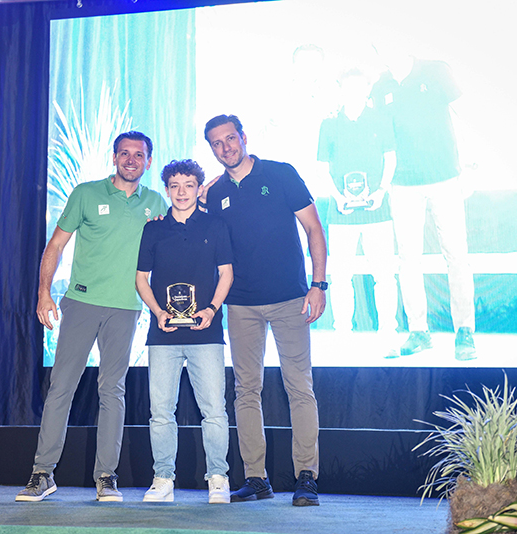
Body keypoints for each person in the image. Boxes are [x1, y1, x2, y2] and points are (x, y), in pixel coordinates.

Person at [16, 131, 168, 503]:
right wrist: (43, 293)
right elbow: (56, 244)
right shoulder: (86, 193)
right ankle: (42, 473)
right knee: (61, 388)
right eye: (124, 153)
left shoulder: (156, 202)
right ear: (114, 157)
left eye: (139, 155)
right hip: (81, 303)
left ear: (148, 161)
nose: (131, 160)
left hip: (126, 308)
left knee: (112, 391)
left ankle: (106, 477)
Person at [202, 114, 328, 507]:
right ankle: (256, 479)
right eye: (217, 143)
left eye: (230, 138)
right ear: (211, 149)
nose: (225, 148)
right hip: (241, 305)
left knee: (299, 387)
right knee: (246, 391)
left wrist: (319, 285)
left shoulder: (280, 173)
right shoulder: (215, 193)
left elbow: (314, 229)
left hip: (290, 299)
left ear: (243, 137)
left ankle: (306, 477)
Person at [135, 159, 234, 504]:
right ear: (166, 190)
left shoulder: (215, 225)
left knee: (214, 410)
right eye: (175, 186)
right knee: (161, 412)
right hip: (163, 334)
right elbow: (141, 279)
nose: (181, 192)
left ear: (199, 188)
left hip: (206, 332)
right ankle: (163, 479)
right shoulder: (153, 230)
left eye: (189, 185)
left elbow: (226, 274)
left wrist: (211, 309)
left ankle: (218, 478)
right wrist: (158, 312)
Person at [370, 45, 476, 361]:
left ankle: (465, 331)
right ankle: (419, 331)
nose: (384, 46)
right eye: (377, 42)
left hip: (445, 178)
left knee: (457, 256)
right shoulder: (380, 86)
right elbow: (379, 136)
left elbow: (467, 116)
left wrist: (472, 166)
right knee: (408, 260)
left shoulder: (436, 70)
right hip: (402, 184)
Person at [317, 68, 399, 355]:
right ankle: (343, 335)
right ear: (340, 90)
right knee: (340, 277)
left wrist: (381, 191)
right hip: (341, 213)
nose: (353, 93)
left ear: (367, 90)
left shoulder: (381, 120)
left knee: (385, 276)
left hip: (377, 209)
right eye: (348, 87)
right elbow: (322, 167)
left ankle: (388, 334)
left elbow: (390, 158)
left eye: (359, 87)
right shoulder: (329, 124)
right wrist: (338, 197)